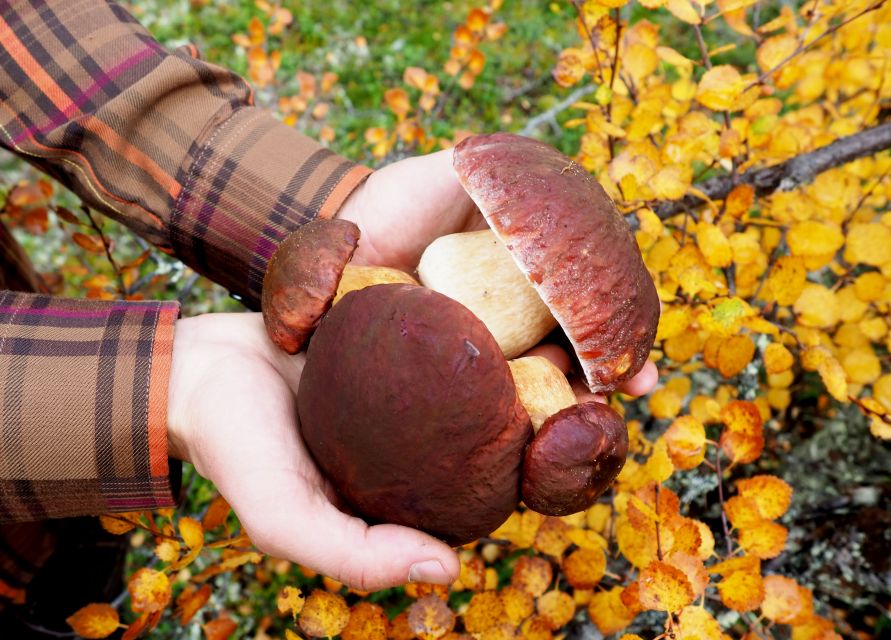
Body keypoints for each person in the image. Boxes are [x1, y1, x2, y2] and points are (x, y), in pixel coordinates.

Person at [0, 0, 659, 631]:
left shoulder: (375, 293)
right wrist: (152, 391)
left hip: (49, 488)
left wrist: (323, 207)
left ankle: (77, 587)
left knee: (75, 564)